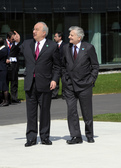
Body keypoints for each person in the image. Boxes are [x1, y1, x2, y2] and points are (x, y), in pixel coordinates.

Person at [15, 22, 61, 147]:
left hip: (45, 83)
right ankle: (31, 138)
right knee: (31, 113)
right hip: (30, 83)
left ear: (44, 33)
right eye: (33, 29)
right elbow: (14, 53)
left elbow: (57, 66)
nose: (34, 31)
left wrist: (54, 79)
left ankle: (45, 137)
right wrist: (16, 42)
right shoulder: (26, 44)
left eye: (36, 29)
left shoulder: (52, 46)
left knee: (45, 111)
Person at [62, 26, 99, 144]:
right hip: (69, 85)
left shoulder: (88, 48)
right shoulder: (65, 48)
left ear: (79, 37)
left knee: (86, 111)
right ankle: (76, 136)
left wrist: (91, 80)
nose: (69, 37)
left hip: (85, 85)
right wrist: (64, 78)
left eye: (71, 35)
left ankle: (89, 134)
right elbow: (63, 65)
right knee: (71, 111)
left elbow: (95, 66)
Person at [5, 31, 20, 103]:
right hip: (6, 65)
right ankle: (6, 99)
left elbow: (18, 51)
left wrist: (17, 42)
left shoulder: (15, 44)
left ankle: (14, 98)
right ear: (8, 38)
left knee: (14, 82)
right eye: (12, 39)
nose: (13, 40)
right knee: (6, 82)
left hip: (14, 65)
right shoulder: (4, 44)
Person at [52, 32, 66, 99]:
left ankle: (64, 94)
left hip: (63, 66)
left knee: (64, 80)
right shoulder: (54, 45)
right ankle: (54, 94)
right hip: (56, 66)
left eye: (55, 36)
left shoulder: (65, 45)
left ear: (60, 37)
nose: (54, 38)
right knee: (55, 80)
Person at [0, 37, 9, 106]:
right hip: (1, 69)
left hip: (2, 69)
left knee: (4, 85)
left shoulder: (3, 50)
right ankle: (3, 100)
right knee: (2, 85)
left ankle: (6, 100)